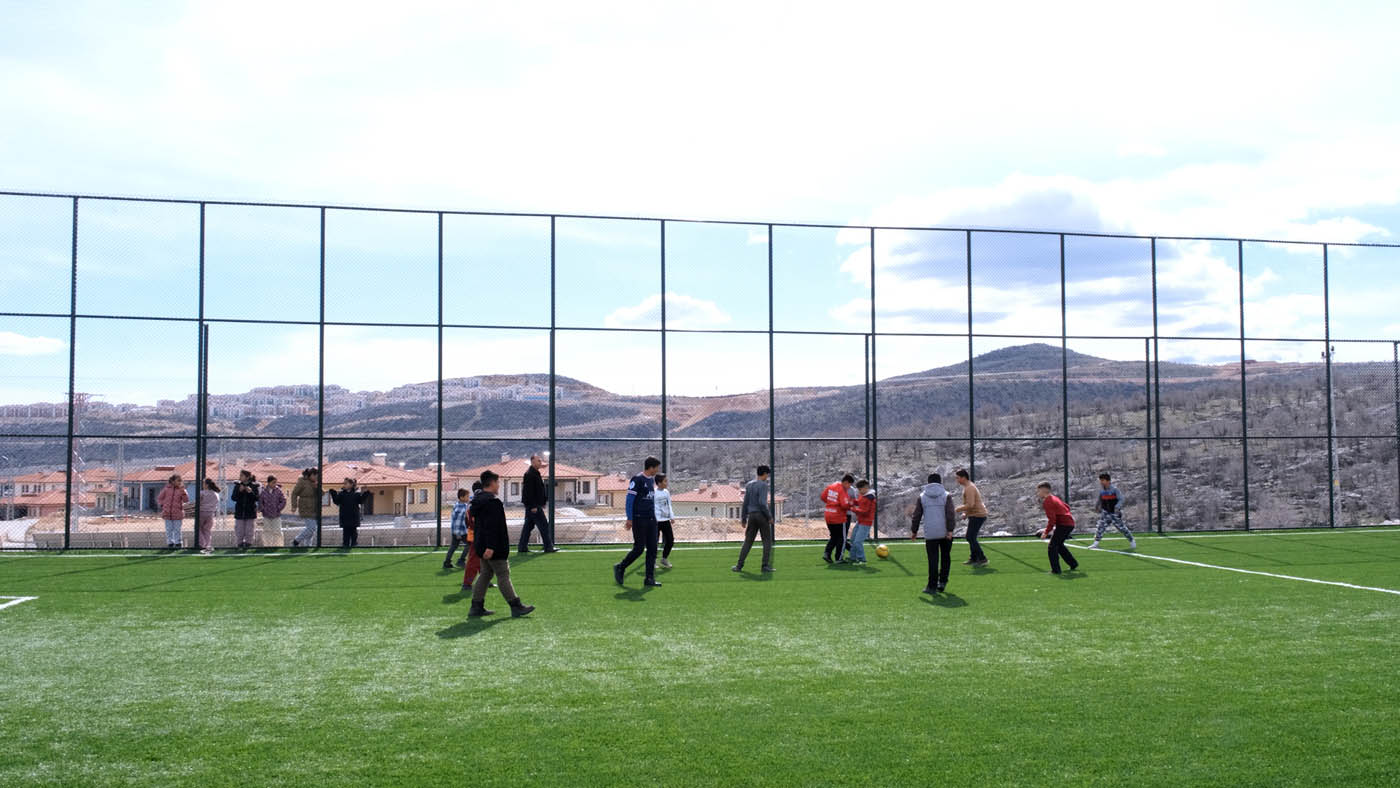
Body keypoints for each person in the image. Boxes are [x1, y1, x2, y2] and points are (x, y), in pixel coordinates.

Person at [467, 470, 535, 618]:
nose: (498, 485)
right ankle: (516, 606)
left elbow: (480, 526)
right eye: (497, 482)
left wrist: (485, 546)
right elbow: (492, 526)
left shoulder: (478, 501)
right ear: (491, 483)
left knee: (485, 574)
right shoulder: (492, 503)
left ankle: (476, 606)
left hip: (481, 544)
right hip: (494, 547)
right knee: (503, 574)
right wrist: (491, 547)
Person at [614, 456, 662, 587]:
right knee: (639, 548)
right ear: (651, 467)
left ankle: (649, 579)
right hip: (639, 519)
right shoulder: (637, 479)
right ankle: (621, 567)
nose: (657, 470)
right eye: (656, 468)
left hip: (651, 519)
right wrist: (629, 518)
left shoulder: (651, 480)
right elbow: (629, 500)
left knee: (653, 549)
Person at [911, 473, 956, 594]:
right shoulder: (946, 495)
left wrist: (914, 531)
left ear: (928, 482)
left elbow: (916, 515)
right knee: (945, 557)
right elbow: (950, 514)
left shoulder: (922, 497)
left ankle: (931, 586)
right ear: (940, 482)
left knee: (933, 559)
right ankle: (942, 582)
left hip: (930, 532)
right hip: (945, 532)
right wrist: (950, 530)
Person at [732, 465, 775, 573]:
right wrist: (769, 516)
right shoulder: (763, 485)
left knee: (748, 541)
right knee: (767, 541)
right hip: (761, 515)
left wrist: (743, 518)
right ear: (764, 474)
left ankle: (739, 566)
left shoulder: (749, 485)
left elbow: (745, 503)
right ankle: (765, 566)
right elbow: (762, 503)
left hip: (751, 516)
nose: (767, 477)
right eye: (767, 474)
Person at [1036, 482, 1079, 575]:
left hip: (1064, 525)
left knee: (1052, 546)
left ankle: (1056, 570)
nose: (1038, 493)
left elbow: (1052, 520)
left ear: (1044, 490)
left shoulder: (1047, 501)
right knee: (1059, 545)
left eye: (1038, 491)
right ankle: (1073, 563)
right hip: (1069, 523)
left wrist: (1046, 532)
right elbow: (1067, 507)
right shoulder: (1054, 497)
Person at [518, 453, 558, 554]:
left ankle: (522, 547)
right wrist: (533, 506)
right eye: (538, 461)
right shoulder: (530, 474)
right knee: (544, 525)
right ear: (532, 462)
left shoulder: (534, 473)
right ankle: (548, 547)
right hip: (534, 506)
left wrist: (542, 502)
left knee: (528, 526)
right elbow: (528, 492)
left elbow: (537, 490)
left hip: (534, 505)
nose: (540, 462)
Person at [1089, 472, 1137, 549]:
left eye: (1103, 480)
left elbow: (1121, 499)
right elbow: (1100, 499)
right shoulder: (1102, 491)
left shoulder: (1115, 490)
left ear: (1108, 481)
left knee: (1122, 528)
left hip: (1114, 513)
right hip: (1105, 513)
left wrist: (1117, 507)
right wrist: (1097, 506)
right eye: (1100, 480)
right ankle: (1095, 543)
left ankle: (1132, 541)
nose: (1101, 482)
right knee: (1100, 527)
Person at [954, 469, 989, 566]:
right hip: (975, 514)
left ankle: (982, 558)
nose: (957, 480)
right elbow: (970, 504)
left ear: (963, 477)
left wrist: (957, 509)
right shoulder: (968, 487)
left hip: (978, 515)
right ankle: (974, 558)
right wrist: (966, 513)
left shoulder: (969, 488)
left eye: (958, 478)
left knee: (970, 537)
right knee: (971, 537)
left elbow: (970, 504)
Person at [821, 473, 855, 563]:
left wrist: (831, 503)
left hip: (828, 515)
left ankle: (827, 553)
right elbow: (844, 505)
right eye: (849, 485)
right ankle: (839, 558)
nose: (849, 487)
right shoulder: (842, 490)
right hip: (838, 517)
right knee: (842, 538)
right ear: (846, 482)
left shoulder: (831, 486)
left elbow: (823, 497)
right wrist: (850, 504)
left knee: (834, 536)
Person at [329, 477, 370, 548]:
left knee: (353, 531)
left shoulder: (356, 494)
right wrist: (333, 493)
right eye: (344, 483)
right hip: (345, 516)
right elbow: (337, 501)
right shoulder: (341, 494)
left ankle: (354, 543)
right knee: (346, 532)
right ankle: (345, 544)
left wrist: (366, 493)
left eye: (346, 483)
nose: (344, 485)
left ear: (351, 484)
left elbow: (361, 500)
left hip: (353, 516)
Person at [460, 482, 484, 591]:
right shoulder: (477, 502)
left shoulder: (472, 502)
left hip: (474, 533)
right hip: (477, 534)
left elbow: (467, 521)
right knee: (474, 559)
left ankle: (484, 580)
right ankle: (467, 583)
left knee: (482, 560)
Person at [290, 468, 321, 548]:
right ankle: (296, 541)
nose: (317, 478)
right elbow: (294, 493)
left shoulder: (316, 482)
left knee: (311, 529)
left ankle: (307, 545)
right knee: (311, 528)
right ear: (312, 475)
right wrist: (294, 506)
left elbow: (322, 493)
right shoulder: (302, 481)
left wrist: (317, 487)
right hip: (305, 507)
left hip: (315, 508)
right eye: (316, 476)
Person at [155, 474, 188, 549]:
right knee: (169, 529)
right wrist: (163, 505)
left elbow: (186, 500)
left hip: (177, 513)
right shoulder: (166, 489)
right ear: (173, 481)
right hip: (167, 513)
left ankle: (178, 542)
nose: (180, 482)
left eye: (180, 480)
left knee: (177, 529)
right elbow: (159, 498)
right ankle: (170, 542)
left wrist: (183, 492)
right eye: (178, 480)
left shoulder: (182, 490)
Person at [230, 470, 260, 549]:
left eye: (242, 475)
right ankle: (239, 544)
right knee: (239, 530)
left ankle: (248, 544)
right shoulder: (237, 486)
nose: (240, 477)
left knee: (249, 530)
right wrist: (240, 491)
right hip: (240, 512)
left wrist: (250, 492)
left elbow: (256, 498)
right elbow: (233, 498)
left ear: (247, 477)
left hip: (250, 512)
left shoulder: (254, 486)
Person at [847, 480, 875, 564]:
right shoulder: (863, 495)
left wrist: (853, 509)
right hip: (860, 521)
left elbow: (864, 511)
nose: (858, 492)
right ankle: (852, 557)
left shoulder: (870, 498)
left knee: (858, 542)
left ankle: (862, 559)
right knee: (853, 540)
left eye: (860, 490)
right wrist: (851, 501)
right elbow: (859, 502)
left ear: (866, 488)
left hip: (866, 523)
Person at [445, 487, 471, 570]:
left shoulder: (458, 505)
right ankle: (461, 560)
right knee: (470, 544)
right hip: (461, 532)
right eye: (467, 496)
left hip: (456, 531)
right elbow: (458, 521)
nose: (468, 498)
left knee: (453, 546)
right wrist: (458, 534)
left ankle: (447, 562)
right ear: (462, 497)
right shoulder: (461, 508)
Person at [258, 475, 287, 547]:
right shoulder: (263, 491)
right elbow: (260, 502)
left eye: (276, 482)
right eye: (273, 482)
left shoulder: (278, 491)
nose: (275, 484)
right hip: (266, 515)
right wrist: (263, 509)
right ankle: (267, 546)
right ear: (269, 483)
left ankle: (278, 546)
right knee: (267, 531)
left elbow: (283, 500)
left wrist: (278, 508)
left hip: (276, 515)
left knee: (277, 531)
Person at [654, 473, 675, 569]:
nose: (667, 483)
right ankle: (652, 561)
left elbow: (669, 504)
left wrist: (671, 516)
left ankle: (664, 559)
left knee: (670, 540)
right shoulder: (654, 492)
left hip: (666, 520)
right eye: (665, 481)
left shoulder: (666, 492)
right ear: (659, 483)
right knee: (654, 542)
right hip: (656, 521)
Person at [198, 479, 220, 555]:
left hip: (202, 512)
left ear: (207, 485)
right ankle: (208, 544)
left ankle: (202, 543)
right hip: (210, 514)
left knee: (199, 528)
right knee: (207, 530)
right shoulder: (216, 494)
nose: (203, 485)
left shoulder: (202, 493)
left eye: (204, 483)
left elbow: (199, 502)